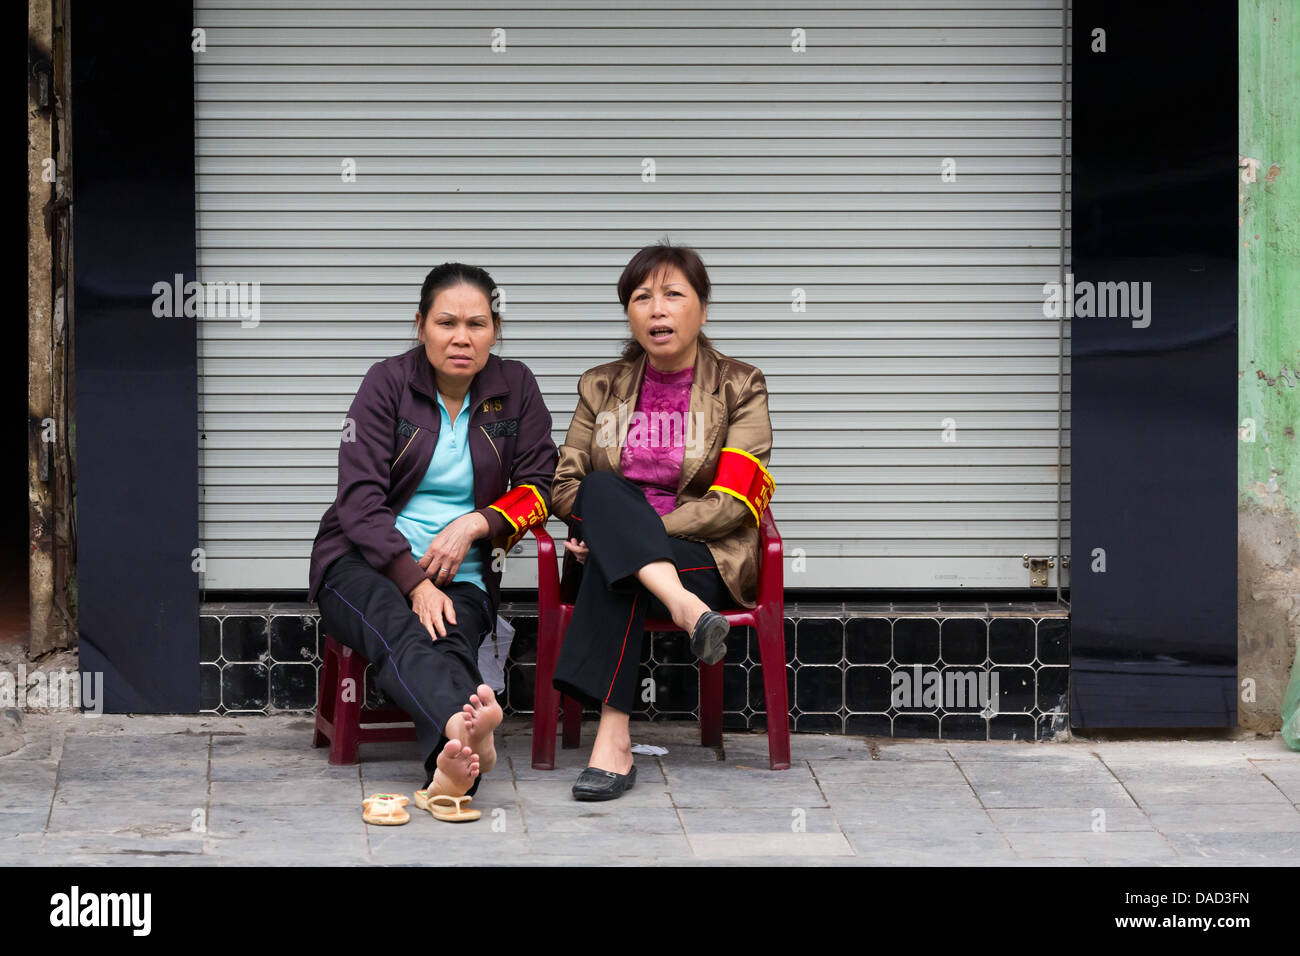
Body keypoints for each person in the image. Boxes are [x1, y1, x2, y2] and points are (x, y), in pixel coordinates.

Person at [308, 263, 557, 807]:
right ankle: (466, 734)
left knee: (451, 641)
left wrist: (475, 523)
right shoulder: (388, 382)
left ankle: (450, 774)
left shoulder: (516, 387)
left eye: (478, 323)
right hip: (362, 564)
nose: (462, 337)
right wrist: (413, 581)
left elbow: (541, 487)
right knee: (402, 625)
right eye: (446, 323)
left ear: (495, 329)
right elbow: (358, 499)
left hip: (463, 575)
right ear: (420, 326)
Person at [549, 241, 775, 801]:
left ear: (702, 307)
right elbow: (565, 488)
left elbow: (732, 502)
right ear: (628, 311)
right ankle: (683, 612)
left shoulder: (740, 385)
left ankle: (613, 743)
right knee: (602, 489)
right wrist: (604, 525)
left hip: (707, 556)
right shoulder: (600, 386)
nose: (657, 309)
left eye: (673, 294)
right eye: (642, 297)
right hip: (638, 567)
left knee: (620, 563)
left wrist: (622, 536)